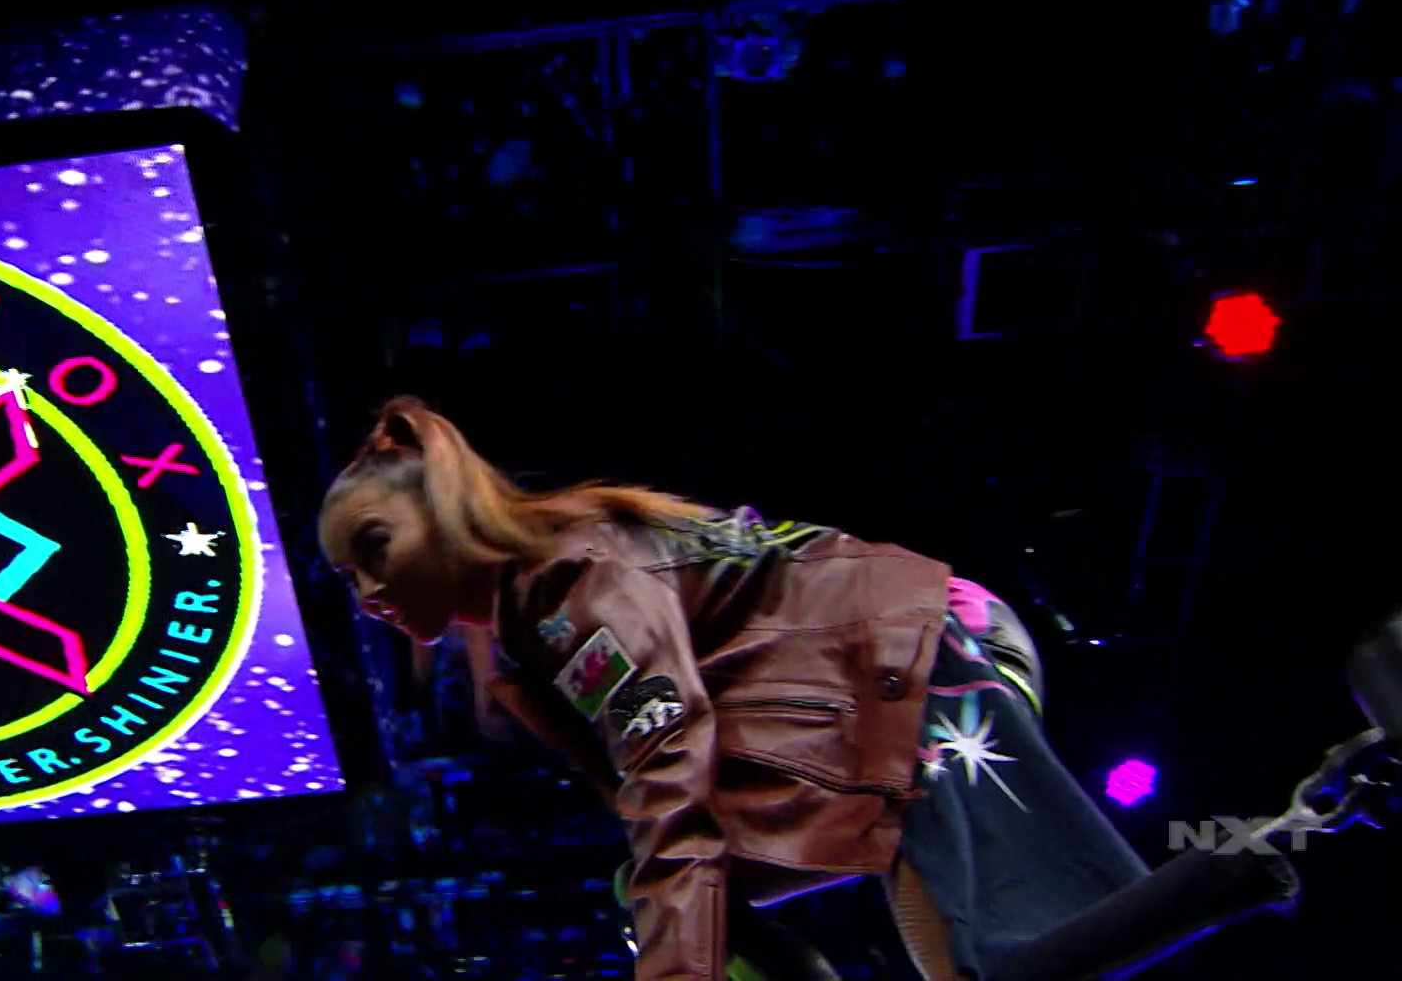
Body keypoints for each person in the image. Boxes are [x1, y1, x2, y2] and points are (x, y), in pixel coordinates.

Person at [318, 397, 1151, 981]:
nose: (368, 592)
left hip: (928, 648)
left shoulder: (570, 582)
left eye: (376, 546)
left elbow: (666, 767)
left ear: (443, 508)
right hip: (877, 679)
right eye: (349, 575)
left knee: (905, 855)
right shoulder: (534, 630)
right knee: (664, 888)